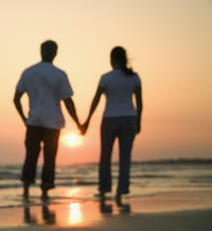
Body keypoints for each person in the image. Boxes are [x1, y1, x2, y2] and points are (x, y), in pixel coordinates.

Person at [13, 40, 83, 201]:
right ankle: (45, 192)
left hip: (34, 121)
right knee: (49, 157)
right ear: (55, 53)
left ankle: (26, 190)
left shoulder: (29, 72)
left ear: (40, 51)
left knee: (31, 156)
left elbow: (16, 99)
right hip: (53, 122)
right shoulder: (59, 74)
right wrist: (78, 123)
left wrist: (24, 118)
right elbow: (68, 101)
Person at [82, 46, 143, 206]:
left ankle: (104, 189)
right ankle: (121, 191)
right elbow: (140, 103)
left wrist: (87, 120)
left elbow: (95, 100)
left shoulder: (106, 78)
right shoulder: (134, 77)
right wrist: (138, 122)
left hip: (110, 119)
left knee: (105, 156)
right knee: (125, 157)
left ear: (112, 60)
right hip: (129, 118)